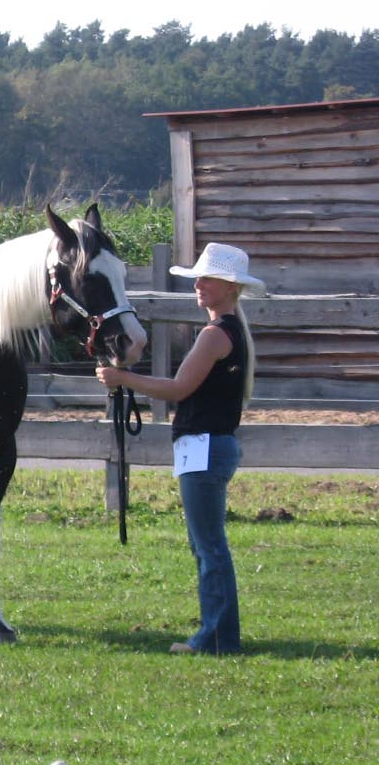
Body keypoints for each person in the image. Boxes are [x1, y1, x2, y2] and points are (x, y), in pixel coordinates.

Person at [96, 243, 261, 655]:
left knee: (209, 546)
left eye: (208, 279)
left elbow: (177, 388)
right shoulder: (230, 332)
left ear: (230, 287)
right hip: (207, 446)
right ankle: (218, 633)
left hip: (204, 447)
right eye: (199, 278)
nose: (199, 285)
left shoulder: (214, 335)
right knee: (207, 545)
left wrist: (123, 378)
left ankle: (216, 637)